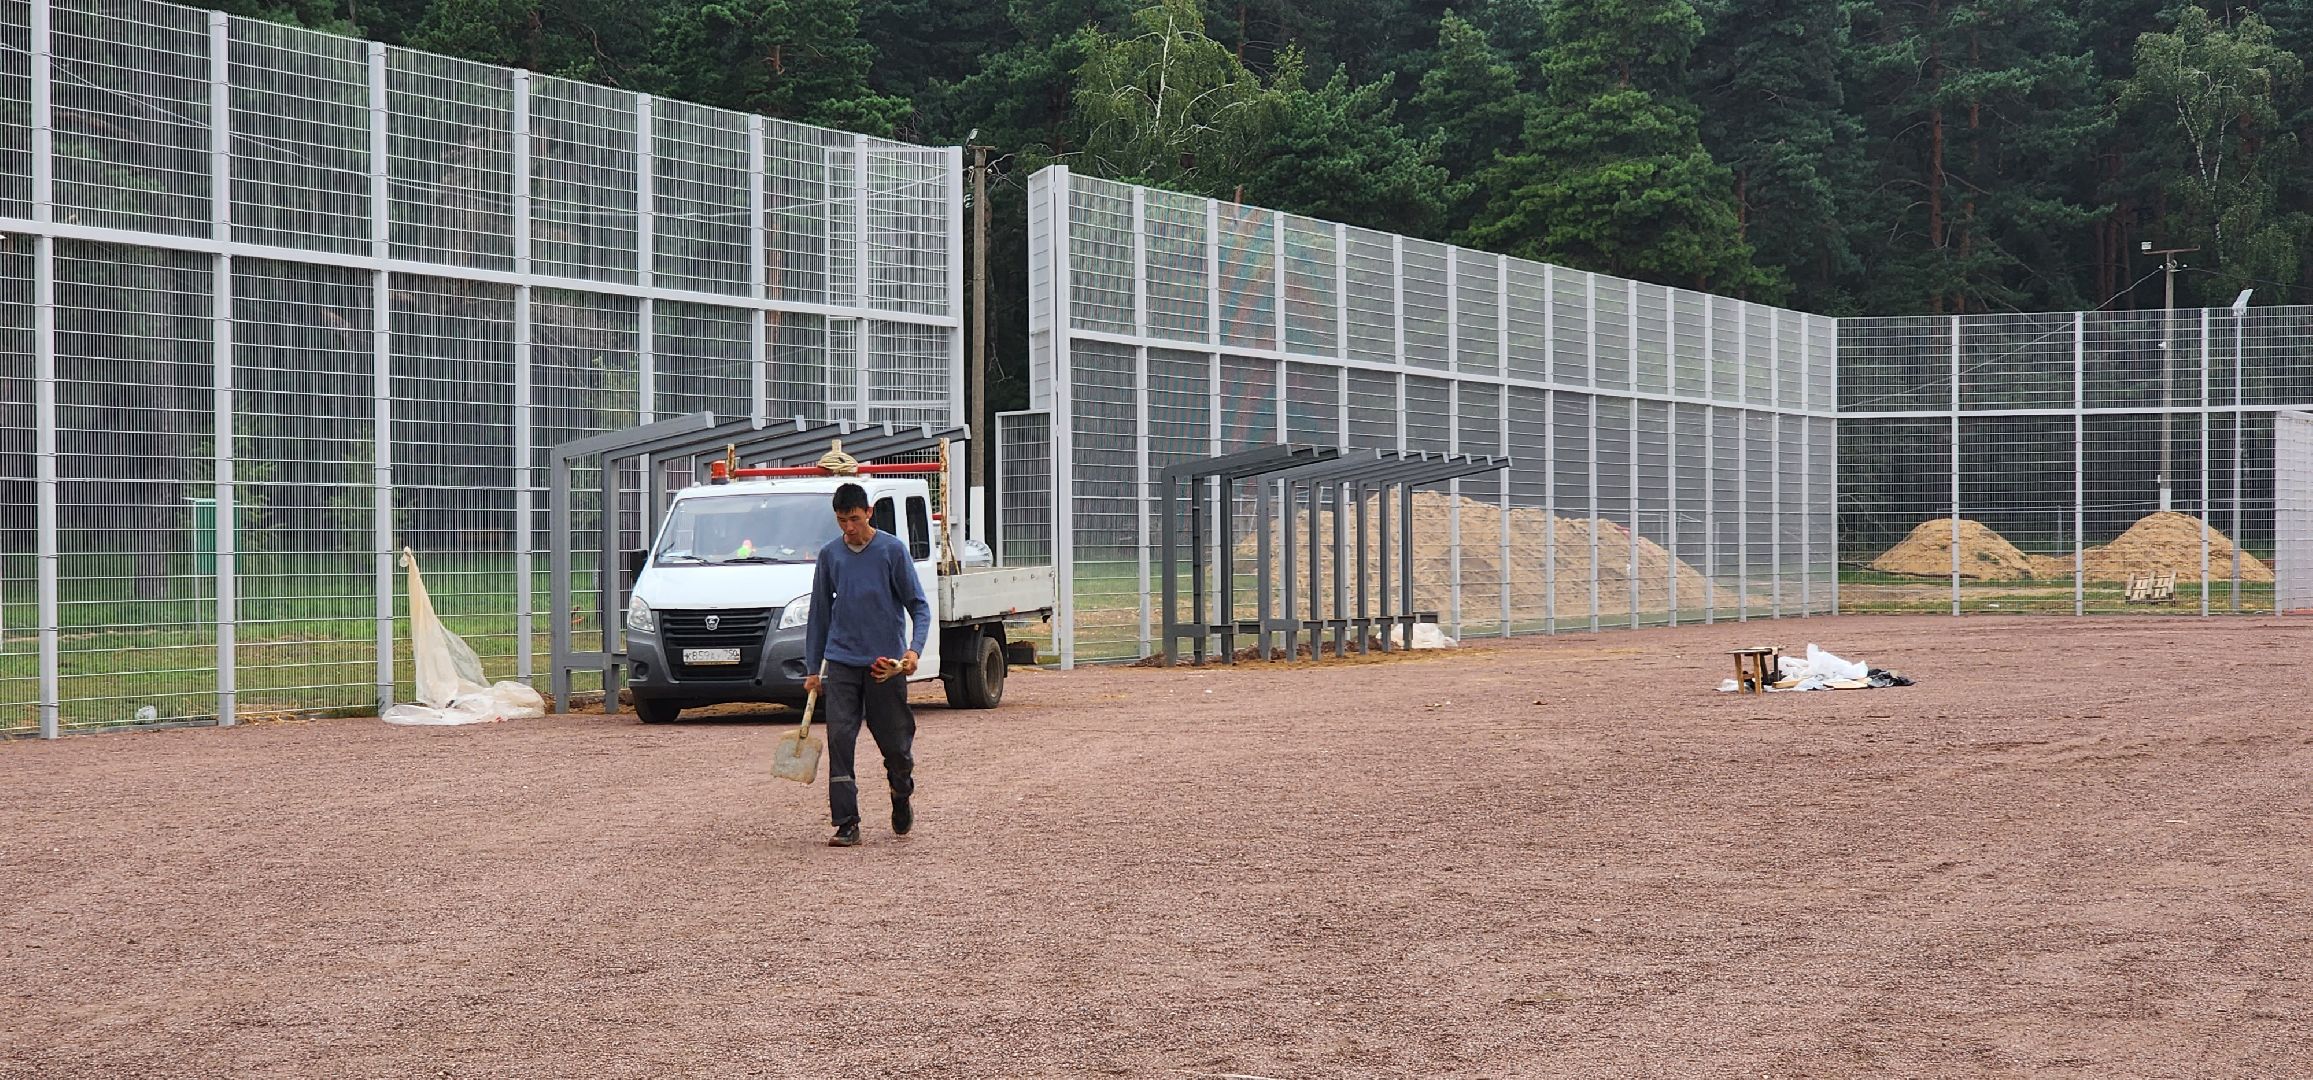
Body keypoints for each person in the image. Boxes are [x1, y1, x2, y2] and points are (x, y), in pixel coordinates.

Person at [802, 482, 930, 847]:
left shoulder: (892, 551)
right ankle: (847, 822)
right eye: (842, 521)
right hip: (841, 662)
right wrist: (814, 669)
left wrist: (913, 651)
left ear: (869, 512)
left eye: (855, 519)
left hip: (884, 666)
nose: (849, 529)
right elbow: (819, 614)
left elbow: (919, 606)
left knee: (895, 744)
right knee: (840, 738)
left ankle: (900, 791)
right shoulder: (830, 556)